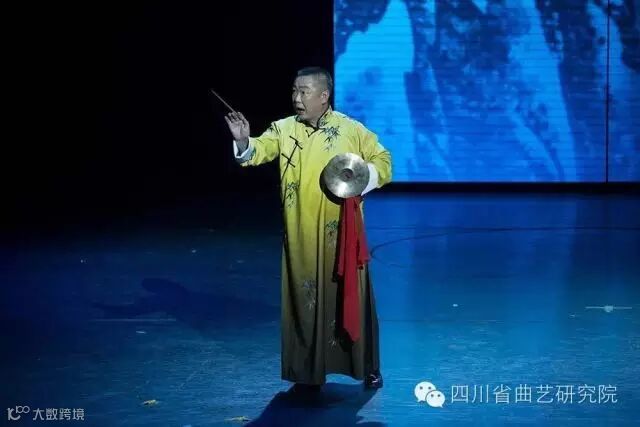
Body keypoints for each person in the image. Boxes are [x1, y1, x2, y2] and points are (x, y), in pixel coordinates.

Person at [224, 66, 392, 391]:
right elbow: (257, 151)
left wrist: (361, 176)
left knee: (350, 299)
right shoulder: (284, 129)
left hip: (342, 236)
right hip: (301, 233)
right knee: (305, 302)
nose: (296, 98)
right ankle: (308, 372)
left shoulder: (351, 129)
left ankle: (366, 365)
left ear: (323, 96)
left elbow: (384, 162)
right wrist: (243, 140)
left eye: (304, 92)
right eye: (294, 91)